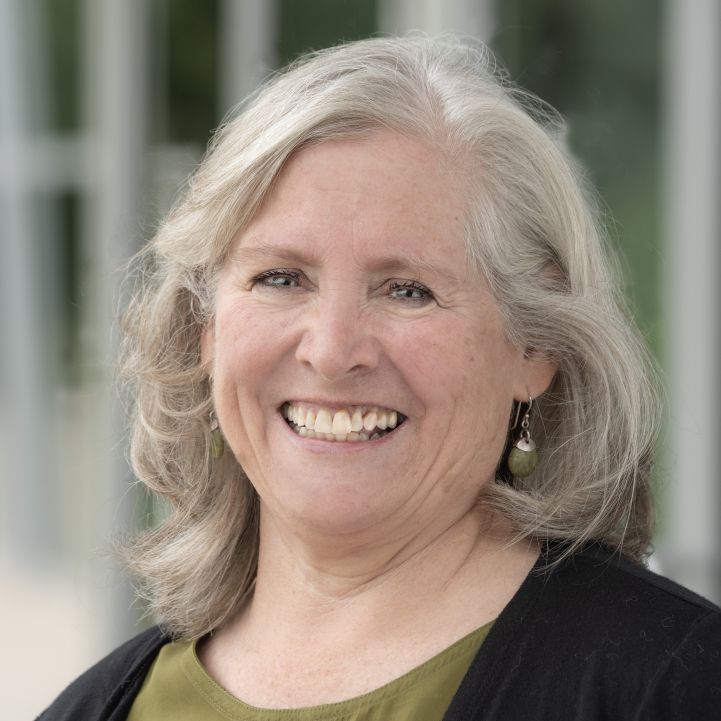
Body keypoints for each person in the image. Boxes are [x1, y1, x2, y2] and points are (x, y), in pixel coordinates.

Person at [39, 34, 720, 721]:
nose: (333, 352)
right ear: (205, 331)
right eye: (280, 278)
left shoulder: (676, 687)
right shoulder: (96, 709)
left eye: (406, 290)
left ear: (534, 344)